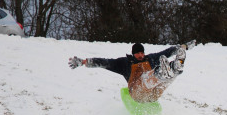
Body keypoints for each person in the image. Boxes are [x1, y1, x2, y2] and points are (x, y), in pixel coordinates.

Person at [68, 40, 196, 103]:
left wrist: (184, 47)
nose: (140, 55)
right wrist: (84, 62)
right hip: (137, 93)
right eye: (137, 53)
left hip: (152, 95)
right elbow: (105, 62)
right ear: (133, 54)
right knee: (147, 77)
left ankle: (176, 67)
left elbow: (167, 52)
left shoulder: (150, 58)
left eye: (142, 53)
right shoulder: (125, 63)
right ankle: (161, 73)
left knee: (166, 81)